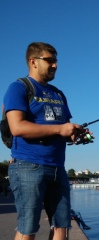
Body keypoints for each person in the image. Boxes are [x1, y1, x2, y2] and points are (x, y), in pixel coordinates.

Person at [3, 42, 91, 240]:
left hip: (57, 168)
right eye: (49, 60)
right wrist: (60, 129)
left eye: (56, 61)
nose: (55, 65)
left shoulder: (58, 94)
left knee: (62, 226)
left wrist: (75, 134)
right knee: (28, 228)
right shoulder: (18, 88)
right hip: (28, 166)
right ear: (33, 62)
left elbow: (63, 132)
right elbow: (17, 127)